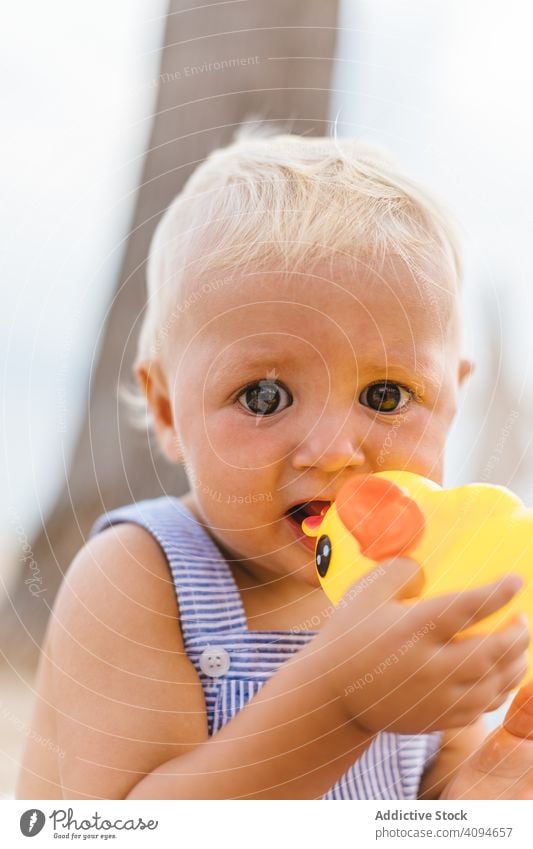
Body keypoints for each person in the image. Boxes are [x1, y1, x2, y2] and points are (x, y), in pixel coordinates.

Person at [17, 132, 533, 800]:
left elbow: (422, 809)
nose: (332, 451)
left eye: (386, 395)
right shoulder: (141, 579)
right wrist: (343, 704)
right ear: (169, 411)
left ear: (451, 400)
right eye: (264, 396)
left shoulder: (432, 588)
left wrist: (486, 787)